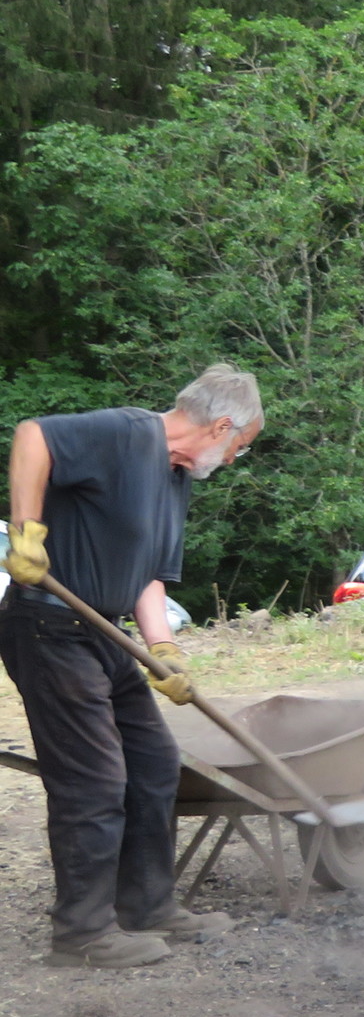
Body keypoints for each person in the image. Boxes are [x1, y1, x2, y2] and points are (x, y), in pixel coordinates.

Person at [1, 365, 262, 967]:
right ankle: (82, 935)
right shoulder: (128, 434)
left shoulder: (174, 480)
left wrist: (162, 650)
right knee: (94, 781)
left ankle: (147, 906)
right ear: (222, 426)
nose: (233, 460)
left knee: (154, 765)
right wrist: (26, 532)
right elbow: (34, 435)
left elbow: (148, 574)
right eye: (239, 447)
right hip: (47, 627)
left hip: (105, 633)